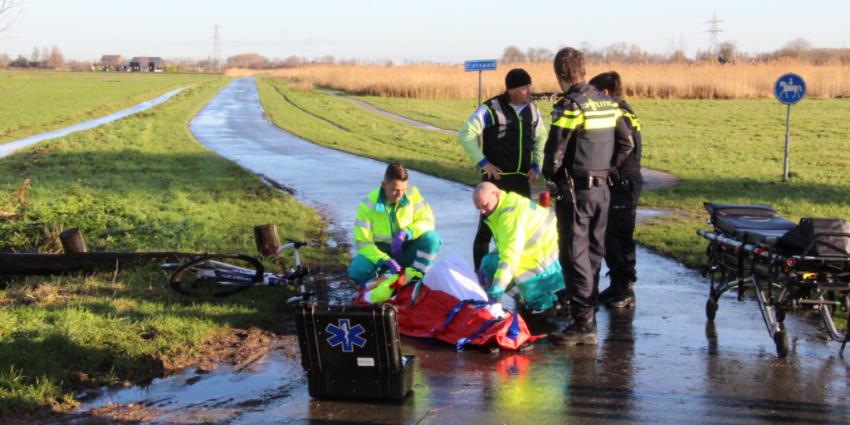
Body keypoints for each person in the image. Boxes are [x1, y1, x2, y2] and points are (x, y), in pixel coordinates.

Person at [542, 48, 634, 346]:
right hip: (603, 190)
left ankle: (584, 323)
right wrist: (608, 168)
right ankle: (586, 316)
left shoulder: (570, 106)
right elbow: (627, 142)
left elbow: (554, 152)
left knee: (574, 255)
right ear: (583, 69)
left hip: (576, 192)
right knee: (593, 253)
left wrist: (552, 177)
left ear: (560, 75)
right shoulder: (607, 103)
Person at [458, 68, 548, 271]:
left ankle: (523, 274)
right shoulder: (490, 108)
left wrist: (537, 164)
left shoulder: (533, 110)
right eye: (525, 87)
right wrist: (483, 163)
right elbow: (465, 134)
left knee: (526, 228)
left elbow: (541, 137)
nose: (529, 91)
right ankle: (480, 275)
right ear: (512, 90)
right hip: (496, 181)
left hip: (524, 179)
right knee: (486, 231)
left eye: (529, 86)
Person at [589, 71, 643, 309]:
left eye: (595, 93)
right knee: (611, 235)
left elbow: (625, 145)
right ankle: (616, 284)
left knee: (619, 235)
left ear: (605, 93)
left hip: (623, 181)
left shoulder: (617, 113)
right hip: (622, 180)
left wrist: (609, 168)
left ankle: (625, 289)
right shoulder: (624, 109)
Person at [472, 181, 565, 313]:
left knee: (499, 267)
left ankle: (544, 305)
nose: (482, 212)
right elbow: (507, 246)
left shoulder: (509, 217)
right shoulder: (507, 204)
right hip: (548, 257)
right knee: (490, 262)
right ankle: (538, 296)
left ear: (496, 194)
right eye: (479, 208)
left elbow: (509, 259)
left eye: (485, 205)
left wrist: (496, 292)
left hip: (550, 266)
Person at [348, 163, 441, 286]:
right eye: (395, 190)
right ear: (384, 185)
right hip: (380, 252)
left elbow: (428, 220)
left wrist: (407, 232)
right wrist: (384, 260)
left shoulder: (413, 194)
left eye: (403, 189)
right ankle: (378, 281)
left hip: (406, 248)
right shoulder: (368, 205)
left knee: (432, 239)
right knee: (357, 271)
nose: (400, 194)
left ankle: (414, 279)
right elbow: (363, 243)